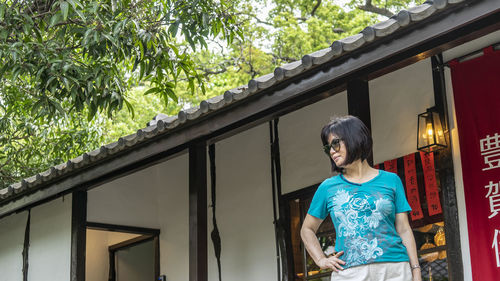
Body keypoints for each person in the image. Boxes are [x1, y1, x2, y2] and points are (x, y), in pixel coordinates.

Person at [300, 115, 422, 281]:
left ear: (354, 138)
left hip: (395, 269)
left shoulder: (391, 180)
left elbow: (403, 229)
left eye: (335, 143)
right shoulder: (327, 188)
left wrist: (416, 270)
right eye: (327, 148)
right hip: (350, 273)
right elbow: (307, 229)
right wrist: (321, 260)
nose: (331, 151)